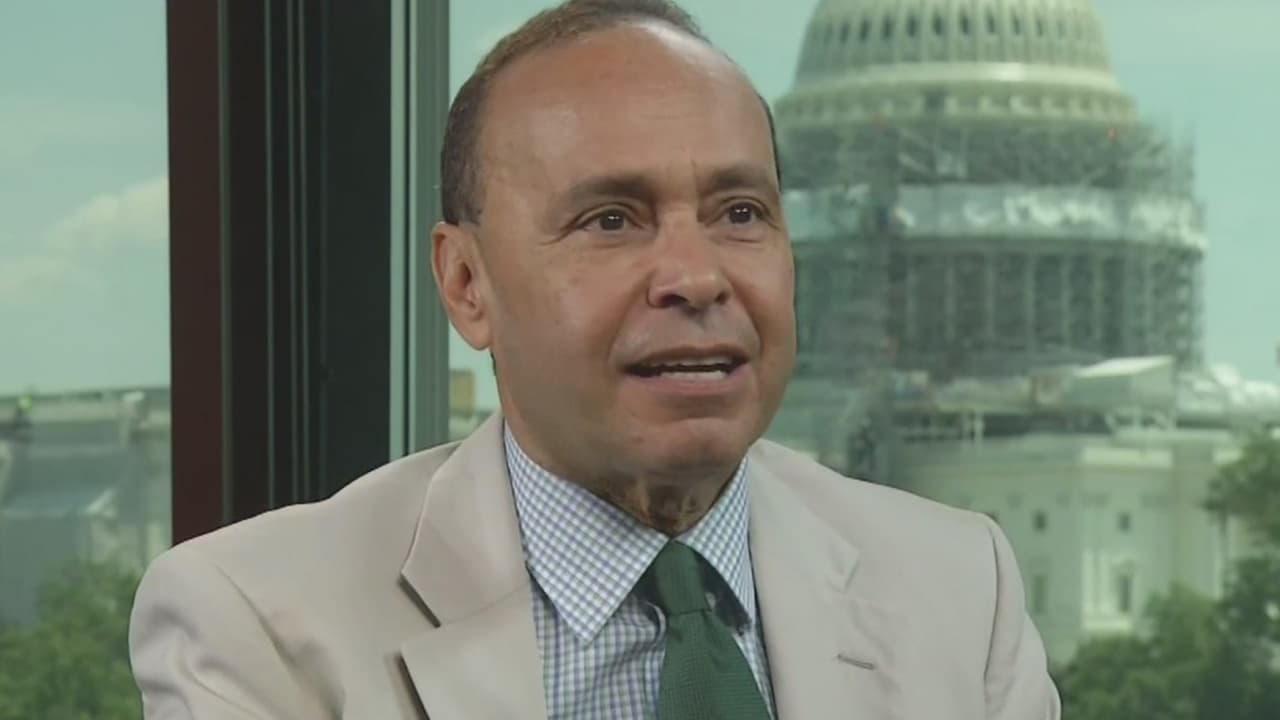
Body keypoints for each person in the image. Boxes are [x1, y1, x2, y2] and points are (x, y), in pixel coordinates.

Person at [128, 0, 1061, 717]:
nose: (697, 277)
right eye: (611, 220)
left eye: (740, 213)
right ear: (466, 285)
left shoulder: (959, 586)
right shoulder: (256, 626)